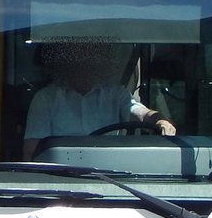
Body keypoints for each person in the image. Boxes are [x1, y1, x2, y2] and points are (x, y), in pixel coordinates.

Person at [23, 41, 176, 159]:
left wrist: (160, 120)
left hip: (110, 179)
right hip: (61, 180)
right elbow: (31, 152)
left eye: (89, 59)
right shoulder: (46, 98)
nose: (84, 65)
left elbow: (140, 113)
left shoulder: (116, 95)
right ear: (67, 63)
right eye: (78, 59)